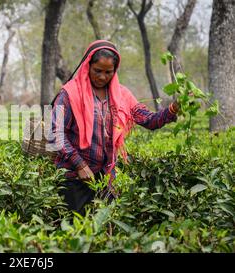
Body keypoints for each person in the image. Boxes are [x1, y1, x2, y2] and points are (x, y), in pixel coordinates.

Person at [51, 40, 179, 215]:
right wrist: (79, 165)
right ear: (88, 65)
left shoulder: (122, 95)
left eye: (108, 72)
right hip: (73, 179)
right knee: (75, 233)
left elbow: (149, 120)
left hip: (105, 179)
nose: (103, 77)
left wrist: (172, 110)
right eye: (97, 71)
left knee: (105, 232)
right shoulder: (68, 93)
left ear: (114, 71)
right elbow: (56, 134)